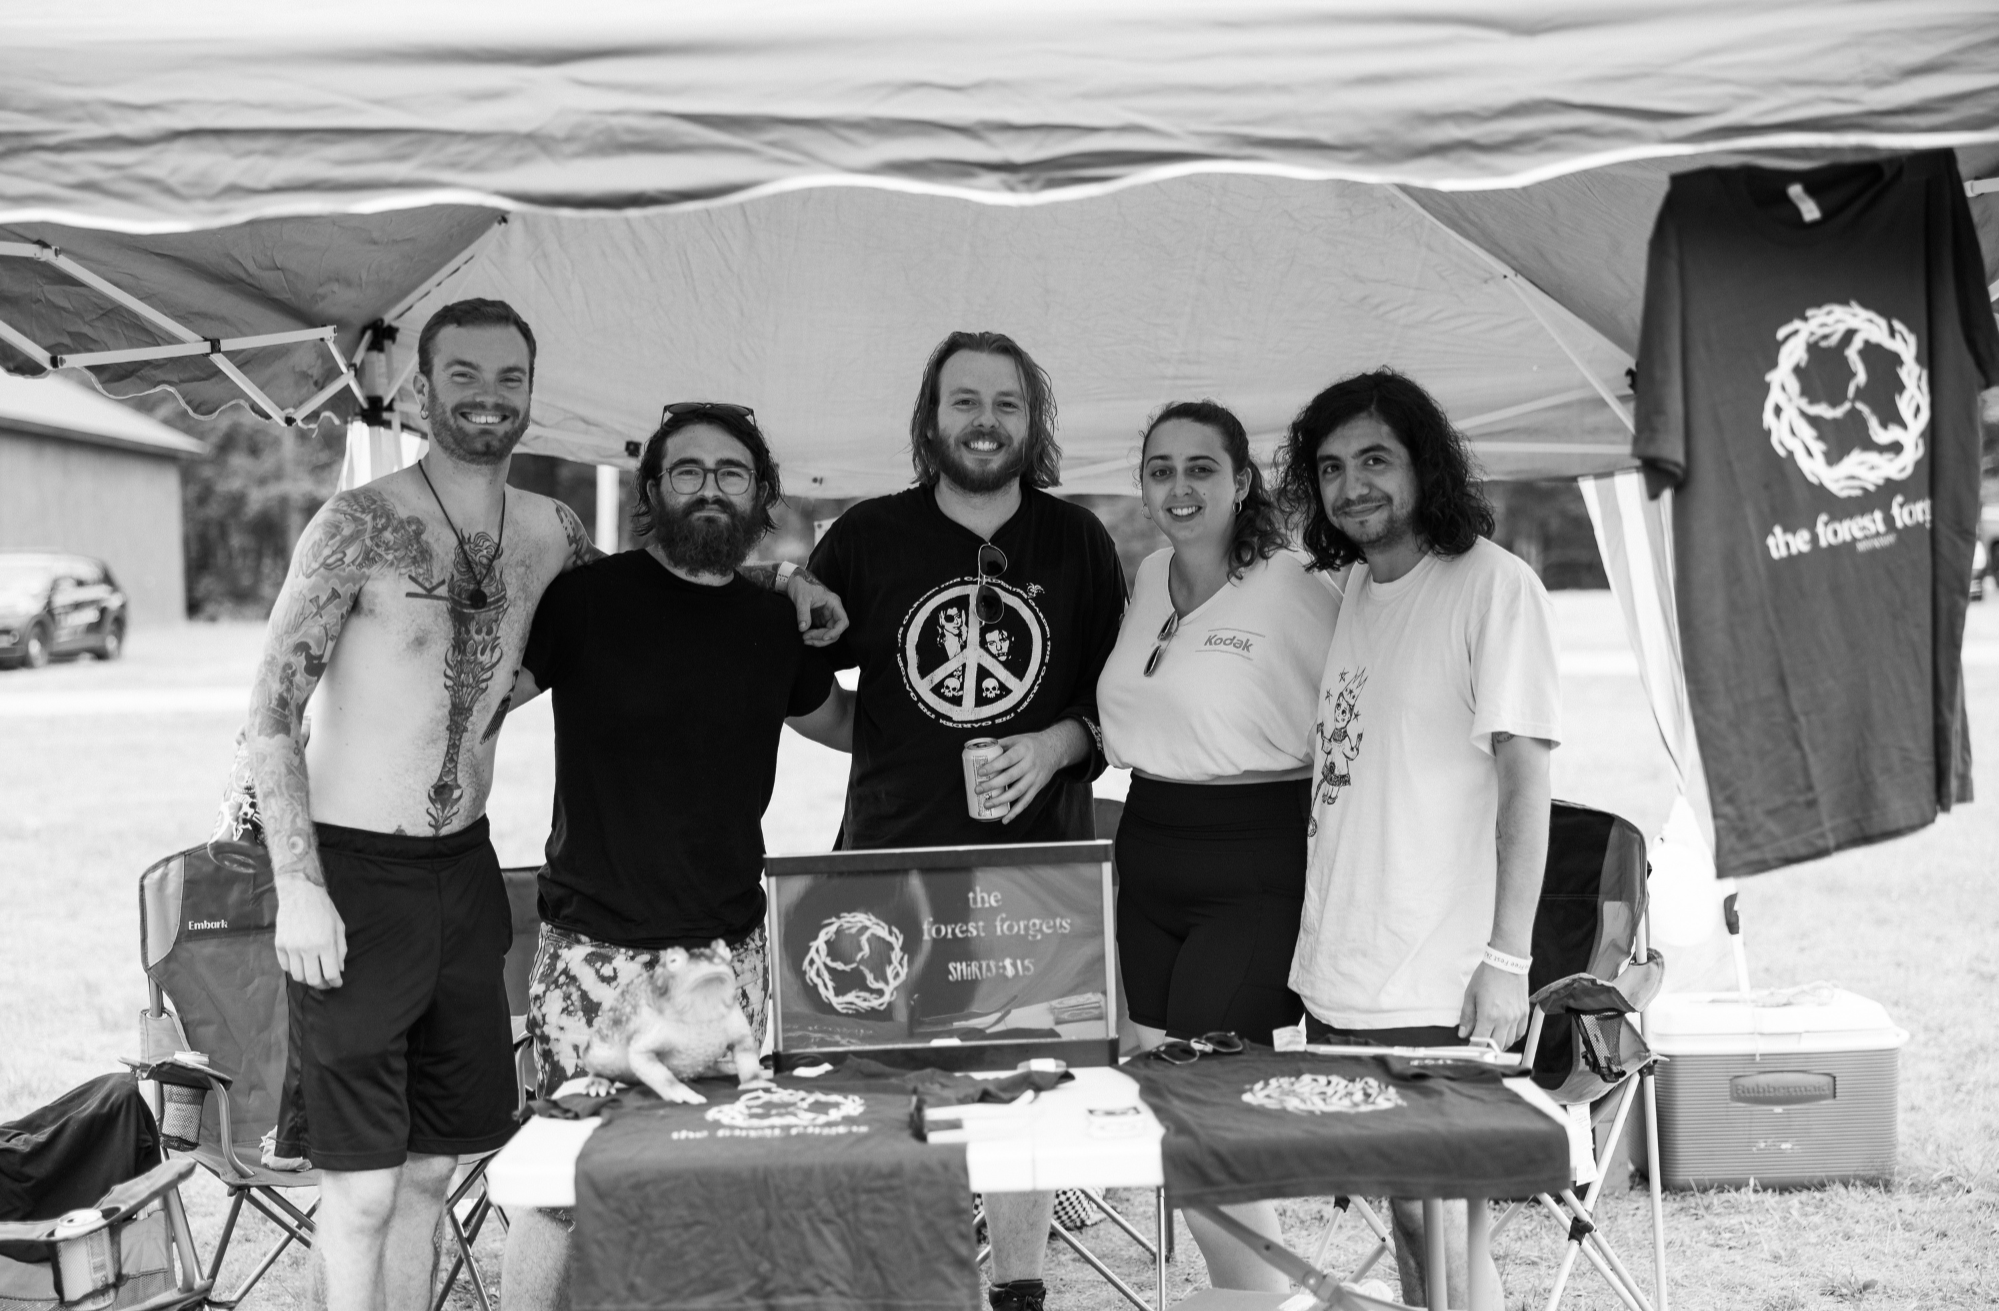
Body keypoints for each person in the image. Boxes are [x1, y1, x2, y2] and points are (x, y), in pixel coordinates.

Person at [242, 299, 843, 1311]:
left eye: (508, 378)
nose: (487, 397)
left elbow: (670, 605)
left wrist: (777, 576)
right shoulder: (357, 523)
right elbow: (269, 714)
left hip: (465, 872)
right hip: (355, 872)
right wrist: (298, 883)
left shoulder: (554, 534)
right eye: (463, 376)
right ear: (423, 389)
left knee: (439, 1170)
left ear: (531, 392)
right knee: (367, 1193)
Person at [498, 402, 853, 1309]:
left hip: (726, 960)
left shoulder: (776, 623)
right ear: (653, 487)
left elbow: (848, 728)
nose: (708, 487)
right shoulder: (585, 601)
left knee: (711, 1187)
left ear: (760, 493)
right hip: (593, 956)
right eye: (686, 470)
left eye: (731, 472)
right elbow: (481, 701)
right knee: (564, 1187)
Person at [806, 331, 1125, 1311]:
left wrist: (1052, 748)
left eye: (1007, 404)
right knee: (900, 1103)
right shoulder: (865, 538)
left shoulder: (1075, 543)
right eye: (965, 401)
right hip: (890, 866)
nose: (985, 421)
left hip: (1037, 873)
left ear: (1033, 424)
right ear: (930, 419)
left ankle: (1018, 1290)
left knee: (1025, 1096)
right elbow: (800, 678)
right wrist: (878, 739)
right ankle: (916, 1288)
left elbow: (1116, 703)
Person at [1276, 369, 1561, 1310]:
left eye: (1374, 459)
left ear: (1423, 464)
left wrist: (1506, 957)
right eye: (1330, 468)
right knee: (1406, 1215)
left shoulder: (1493, 586)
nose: (1351, 485)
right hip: (1346, 967)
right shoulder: (1354, 587)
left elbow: (1527, 780)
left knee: (1443, 1215)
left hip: (1435, 973)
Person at [1094, 399, 1342, 1292]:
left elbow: (1352, 719)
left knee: (1212, 1097)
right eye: (1160, 468)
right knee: (1163, 1099)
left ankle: (1260, 1290)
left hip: (1253, 860)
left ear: (1242, 481)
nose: (1178, 486)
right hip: (1150, 848)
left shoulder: (1294, 580)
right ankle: (1245, 1285)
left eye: (1200, 467)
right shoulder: (1150, 570)